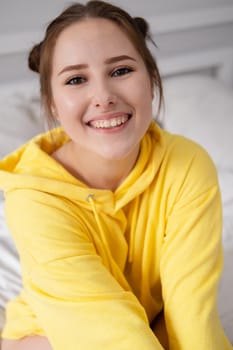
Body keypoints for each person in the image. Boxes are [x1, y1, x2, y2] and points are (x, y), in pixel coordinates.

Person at [0, 1, 232, 349]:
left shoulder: (188, 165)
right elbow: (103, 327)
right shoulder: (33, 197)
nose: (103, 97)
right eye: (76, 79)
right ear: (51, 104)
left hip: (145, 319)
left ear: (151, 80)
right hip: (50, 333)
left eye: (121, 71)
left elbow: (191, 310)